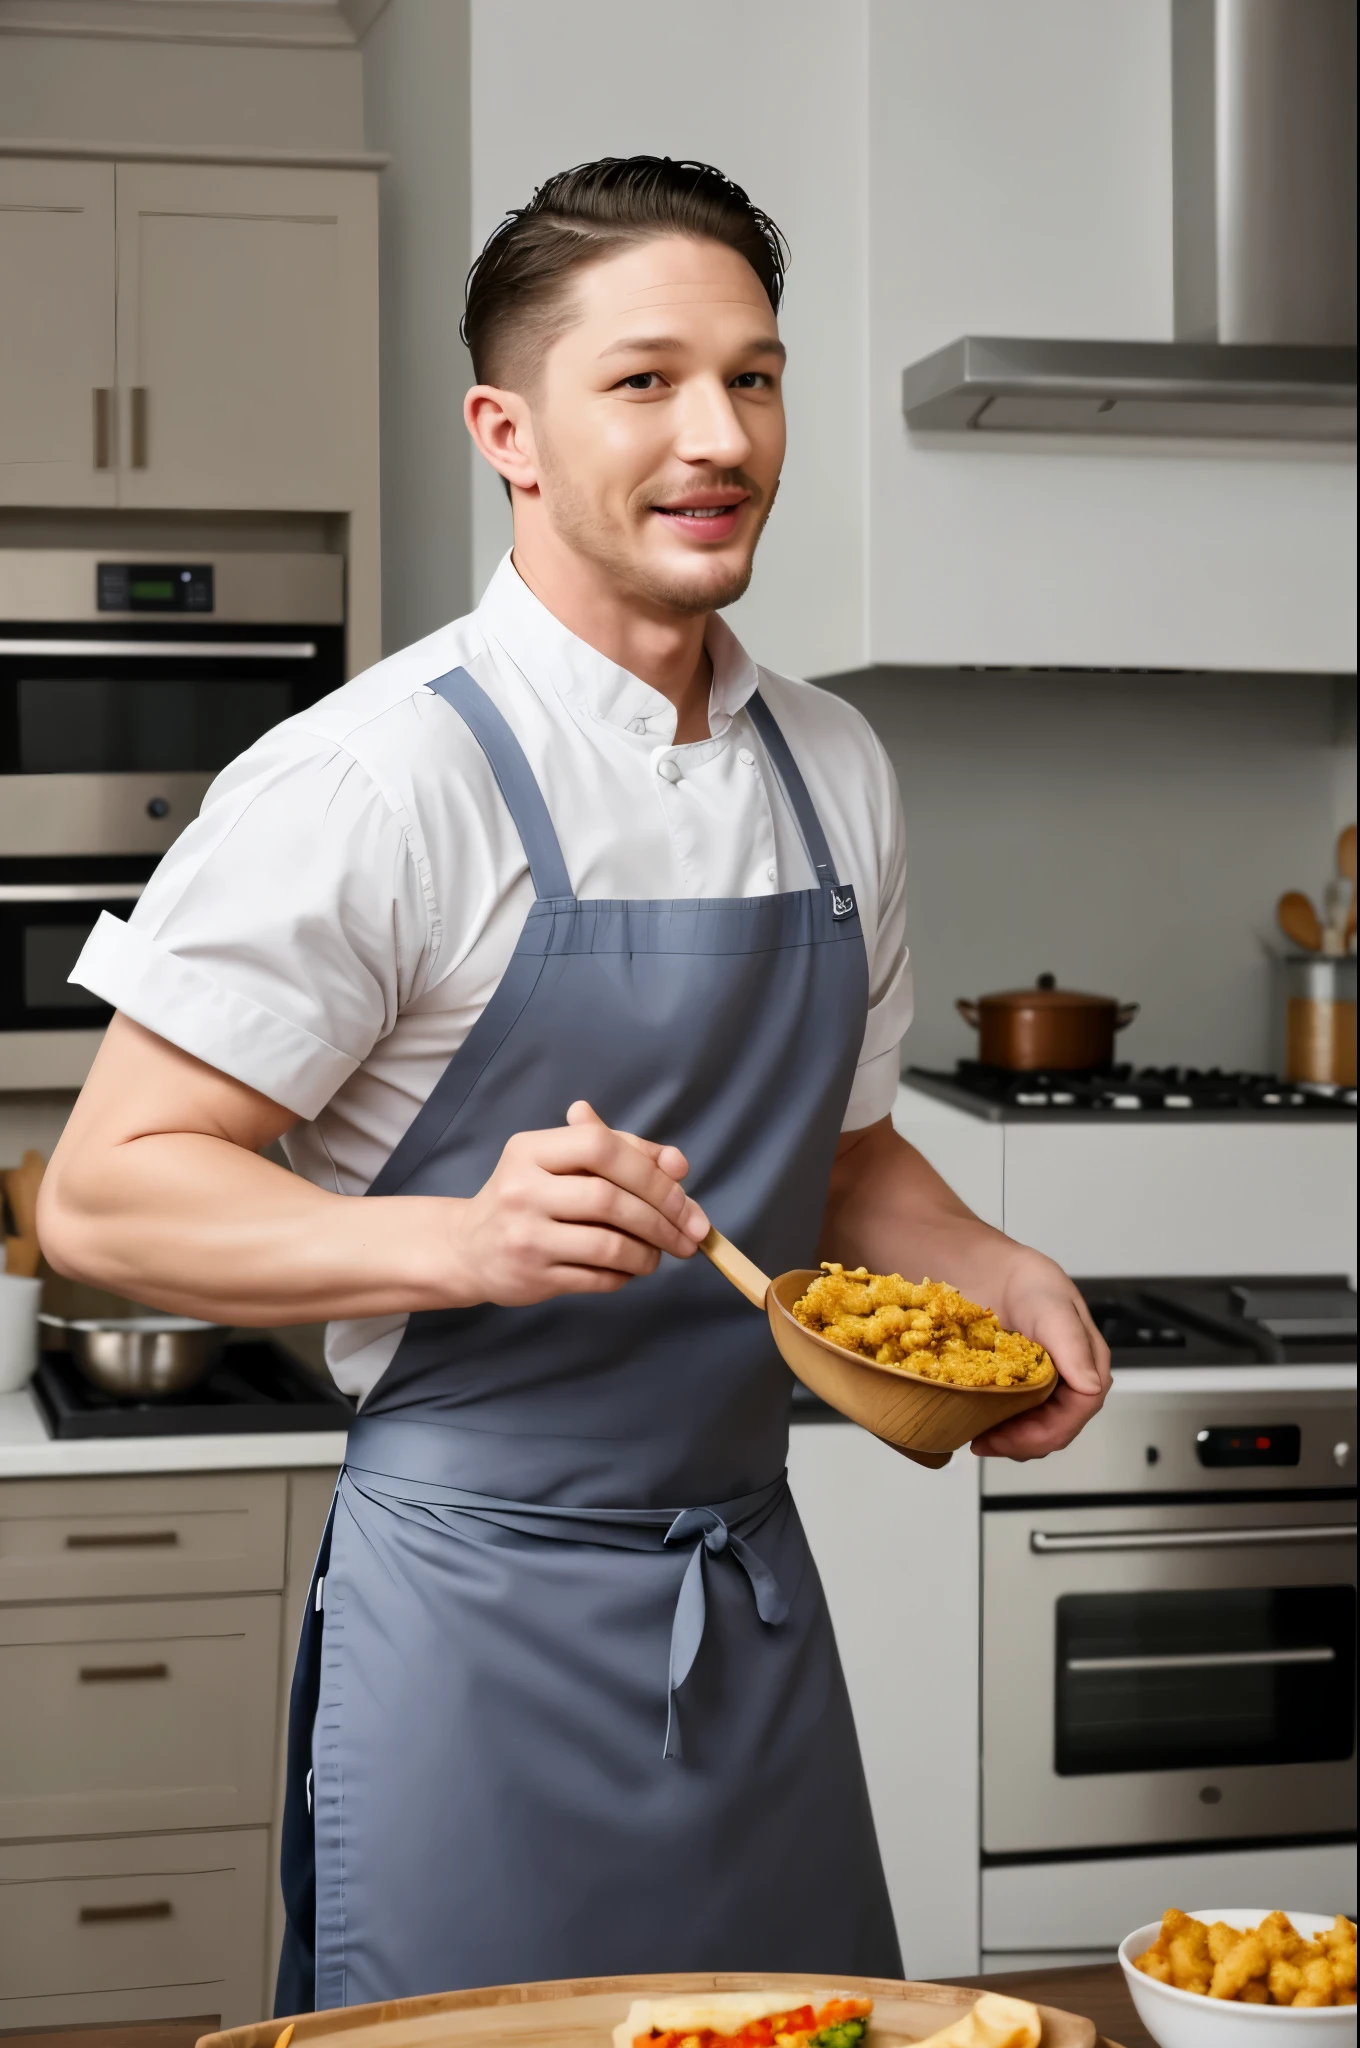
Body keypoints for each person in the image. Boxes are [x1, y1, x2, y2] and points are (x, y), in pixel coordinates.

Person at [39, 157, 1110, 2011]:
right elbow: (106, 1192)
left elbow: (850, 1164)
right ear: (507, 432)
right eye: (645, 381)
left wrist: (995, 1267)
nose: (721, 437)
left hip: (750, 1598)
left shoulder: (833, 765)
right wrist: (461, 1239)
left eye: (756, 378)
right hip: (473, 1627)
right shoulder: (373, 782)